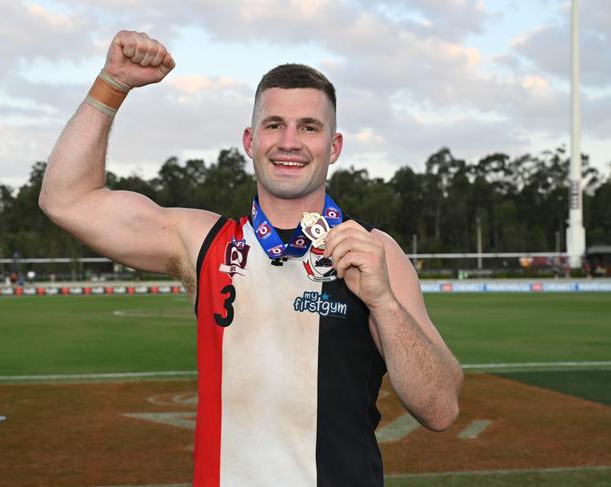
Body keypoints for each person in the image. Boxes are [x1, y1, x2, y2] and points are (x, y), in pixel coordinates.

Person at [40, 30, 462, 486]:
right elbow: (67, 200)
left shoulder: (375, 252)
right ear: (250, 139)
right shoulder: (202, 240)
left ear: (334, 147)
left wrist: (383, 303)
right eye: (274, 124)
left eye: (309, 127)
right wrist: (112, 83)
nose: (289, 141)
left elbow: (440, 409)